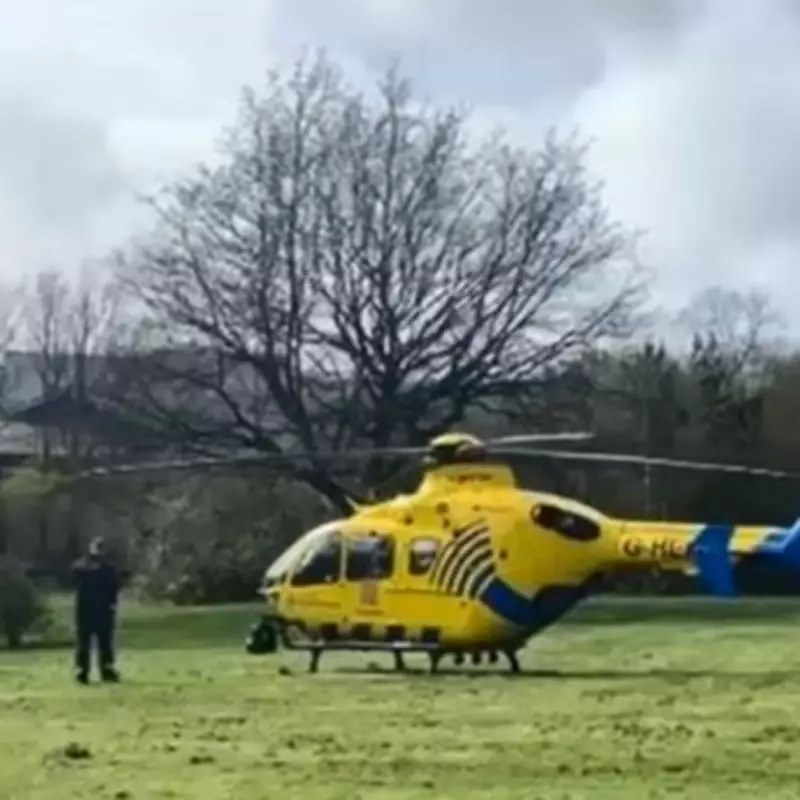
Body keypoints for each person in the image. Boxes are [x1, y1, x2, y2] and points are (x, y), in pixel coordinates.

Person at [72, 536, 121, 684]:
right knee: (98, 641)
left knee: (89, 641)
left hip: (88, 610)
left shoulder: (82, 566)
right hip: (98, 610)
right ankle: (92, 670)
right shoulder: (106, 569)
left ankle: (86, 670)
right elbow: (114, 589)